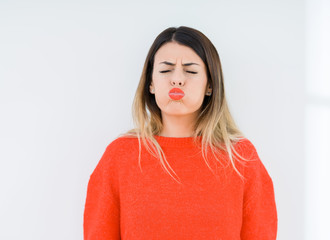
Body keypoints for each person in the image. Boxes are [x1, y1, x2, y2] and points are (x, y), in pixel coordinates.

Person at [83, 26, 277, 240]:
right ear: (151, 83)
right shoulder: (119, 156)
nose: (177, 79)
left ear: (210, 85)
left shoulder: (241, 157)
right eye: (165, 70)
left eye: (191, 71)